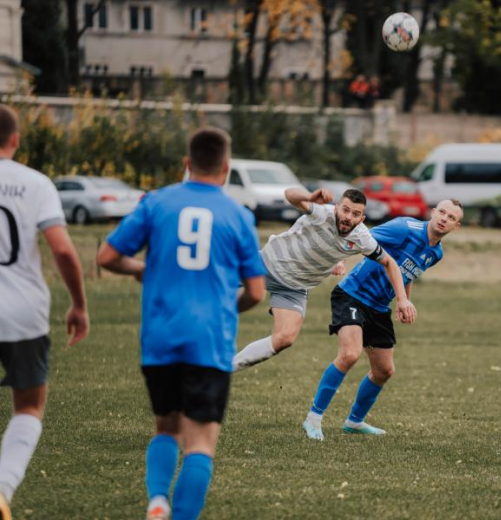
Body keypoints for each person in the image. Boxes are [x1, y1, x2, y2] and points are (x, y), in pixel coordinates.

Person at [97, 127, 266, 520]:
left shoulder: (156, 202)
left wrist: (142, 269)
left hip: (161, 337)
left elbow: (106, 256)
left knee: (166, 428)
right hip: (209, 339)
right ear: (225, 168)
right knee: (201, 444)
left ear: (187, 165)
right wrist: (227, 306)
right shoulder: (239, 216)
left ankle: (157, 500)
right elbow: (256, 292)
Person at [302, 199, 463, 441]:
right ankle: (313, 419)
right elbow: (360, 235)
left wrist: (403, 301)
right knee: (349, 354)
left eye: (451, 217)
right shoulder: (405, 228)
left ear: (456, 226)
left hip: (379, 307)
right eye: (441, 212)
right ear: (432, 212)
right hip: (352, 294)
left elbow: (408, 273)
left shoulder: (436, 253)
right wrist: (340, 259)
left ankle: (354, 422)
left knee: (384, 370)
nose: (444, 219)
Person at [0, 104, 90, 519]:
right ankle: (1, 490)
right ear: (15, 140)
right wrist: (78, 303)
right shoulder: (34, 183)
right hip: (22, 313)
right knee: (29, 407)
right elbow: (62, 250)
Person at [232, 188, 416, 372]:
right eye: (345, 210)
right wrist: (309, 197)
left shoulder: (362, 238)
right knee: (209, 292)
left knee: (285, 337)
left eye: (355, 214)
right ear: (336, 208)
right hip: (265, 264)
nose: (348, 217)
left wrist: (402, 299)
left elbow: (389, 263)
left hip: (293, 287)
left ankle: (226, 368)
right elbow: (290, 195)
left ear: (362, 219)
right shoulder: (321, 213)